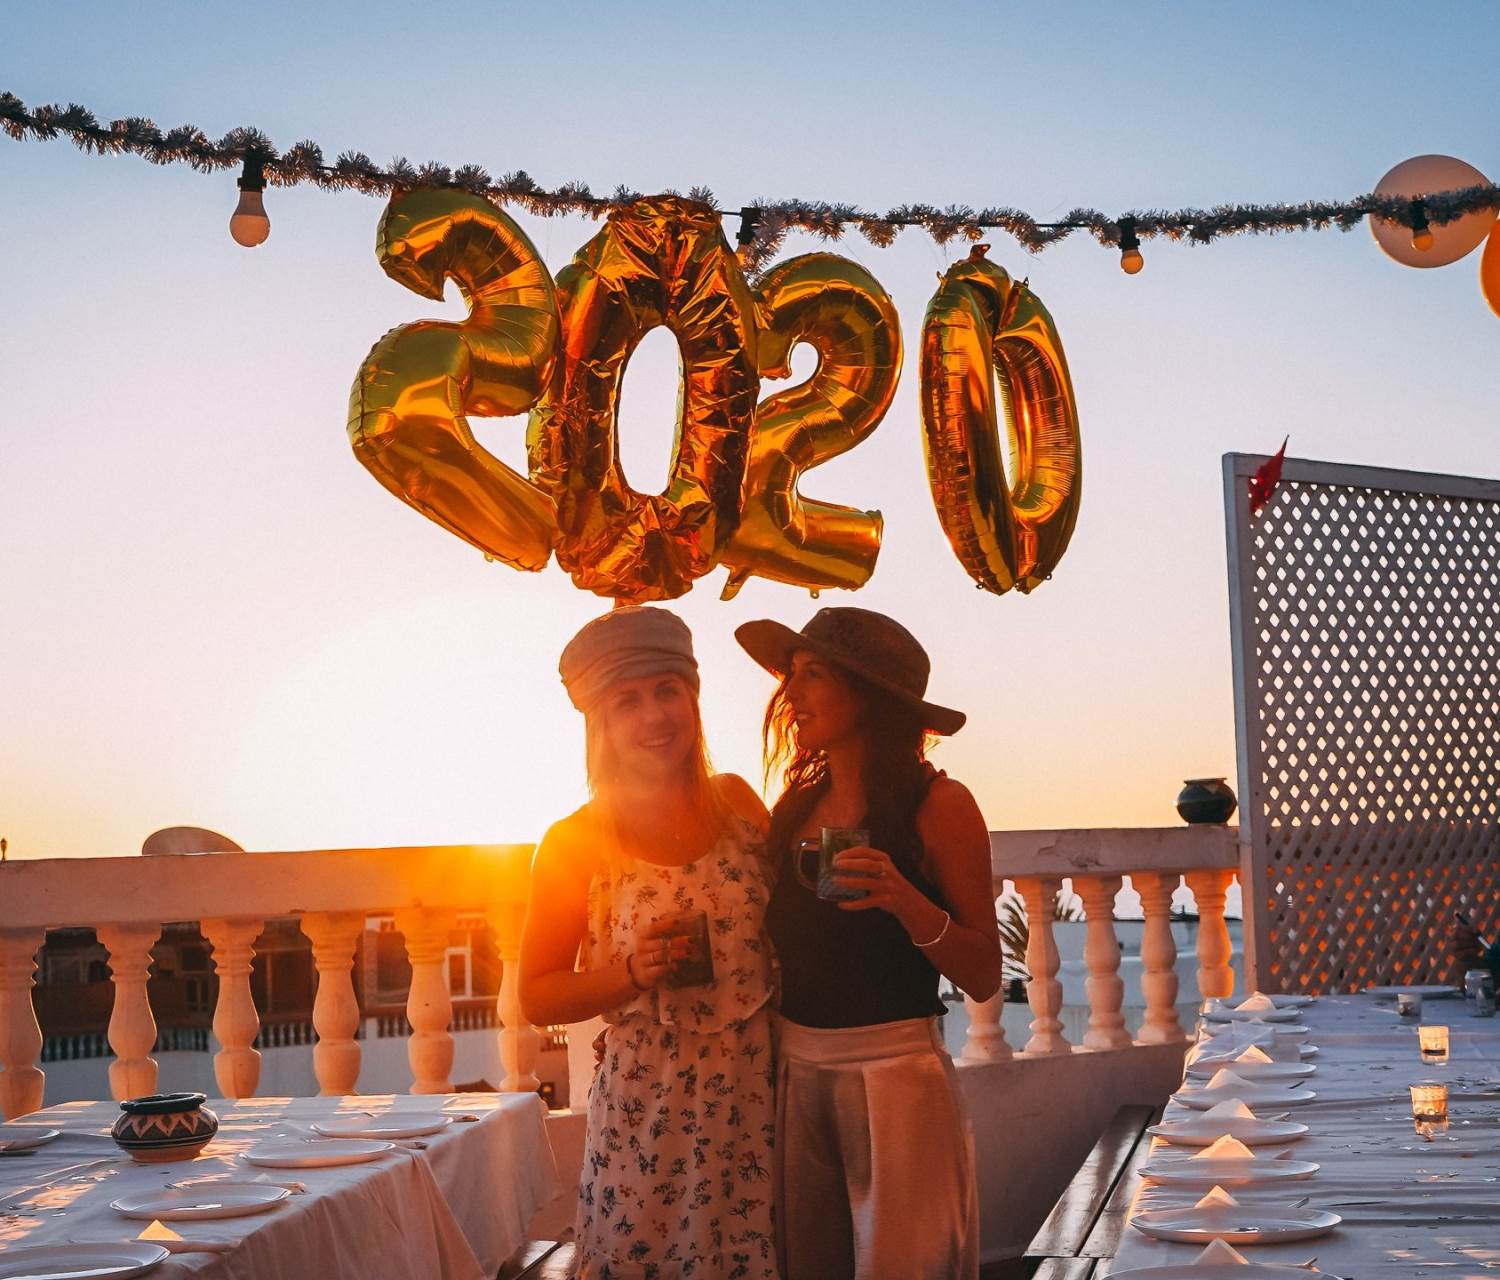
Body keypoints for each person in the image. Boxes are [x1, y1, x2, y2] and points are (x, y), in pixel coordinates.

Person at [735, 606, 1003, 1280]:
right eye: (791, 674)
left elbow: (984, 974)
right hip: (798, 1076)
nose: (791, 694)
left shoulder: (940, 805)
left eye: (814, 675)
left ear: (868, 697)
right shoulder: (796, 809)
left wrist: (904, 899)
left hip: (898, 1081)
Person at [519, 606, 779, 1280]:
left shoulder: (739, 804)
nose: (655, 715)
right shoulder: (574, 841)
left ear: (693, 696)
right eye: (627, 701)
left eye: (668, 690)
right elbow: (537, 994)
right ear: (599, 724)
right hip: (648, 1110)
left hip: (760, 1095)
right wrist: (631, 972)